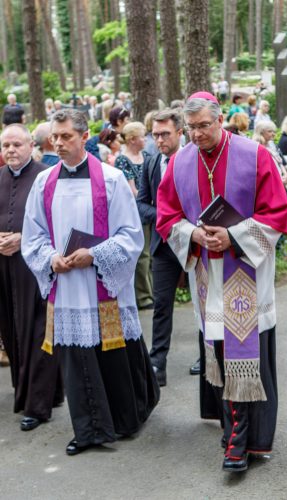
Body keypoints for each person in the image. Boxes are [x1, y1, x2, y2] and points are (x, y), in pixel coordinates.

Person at [156, 92, 287, 472]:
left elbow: (279, 212)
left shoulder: (254, 155)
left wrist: (233, 236)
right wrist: (194, 235)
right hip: (205, 273)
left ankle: (244, 441)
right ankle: (236, 431)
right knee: (218, 352)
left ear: (220, 121)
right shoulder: (179, 162)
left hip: (245, 270)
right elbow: (166, 216)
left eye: (204, 126)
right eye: (192, 128)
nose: (197, 135)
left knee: (246, 356)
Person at [21, 109, 159, 455]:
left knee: (112, 352)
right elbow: (33, 235)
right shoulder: (44, 182)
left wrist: (95, 255)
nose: (59, 143)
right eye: (55, 136)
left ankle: (125, 419)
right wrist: (51, 257)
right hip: (66, 286)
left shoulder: (110, 179)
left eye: (66, 136)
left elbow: (130, 236)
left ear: (85, 137)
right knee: (76, 359)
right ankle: (90, 429)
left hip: (101, 283)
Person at [0, 124, 63, 431]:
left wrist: (22, 238)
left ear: (31, 146)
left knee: (38, 332)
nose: (10, 150)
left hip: (35, 267)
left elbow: (58, 223)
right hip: (3, 268)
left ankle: (37, 406)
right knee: (11, 330)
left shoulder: (45, 177)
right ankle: (39, 391)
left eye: (16, 144)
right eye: (5, 145)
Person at [136, 109, 184, 386]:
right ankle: (158, 362)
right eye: (155, 135)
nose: (159, 140)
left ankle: (206, 357)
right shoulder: (152, 163)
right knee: (161, 305)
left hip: (194, 243)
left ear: (179, 132)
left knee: (203, 304)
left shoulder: (194, 160)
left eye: (165, 134)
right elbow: (141, 203)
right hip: (163, 245)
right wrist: (163, 218)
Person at [115, 122, 154, 310]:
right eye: (142, 136)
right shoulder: (123, 160)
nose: (145, 139)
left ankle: (152, 291)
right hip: (136, 212)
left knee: (152, 253)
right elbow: (132, 191)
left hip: (151, 209)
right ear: (131, 140)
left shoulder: (147, 156)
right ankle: (143, 296)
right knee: (143, 255)